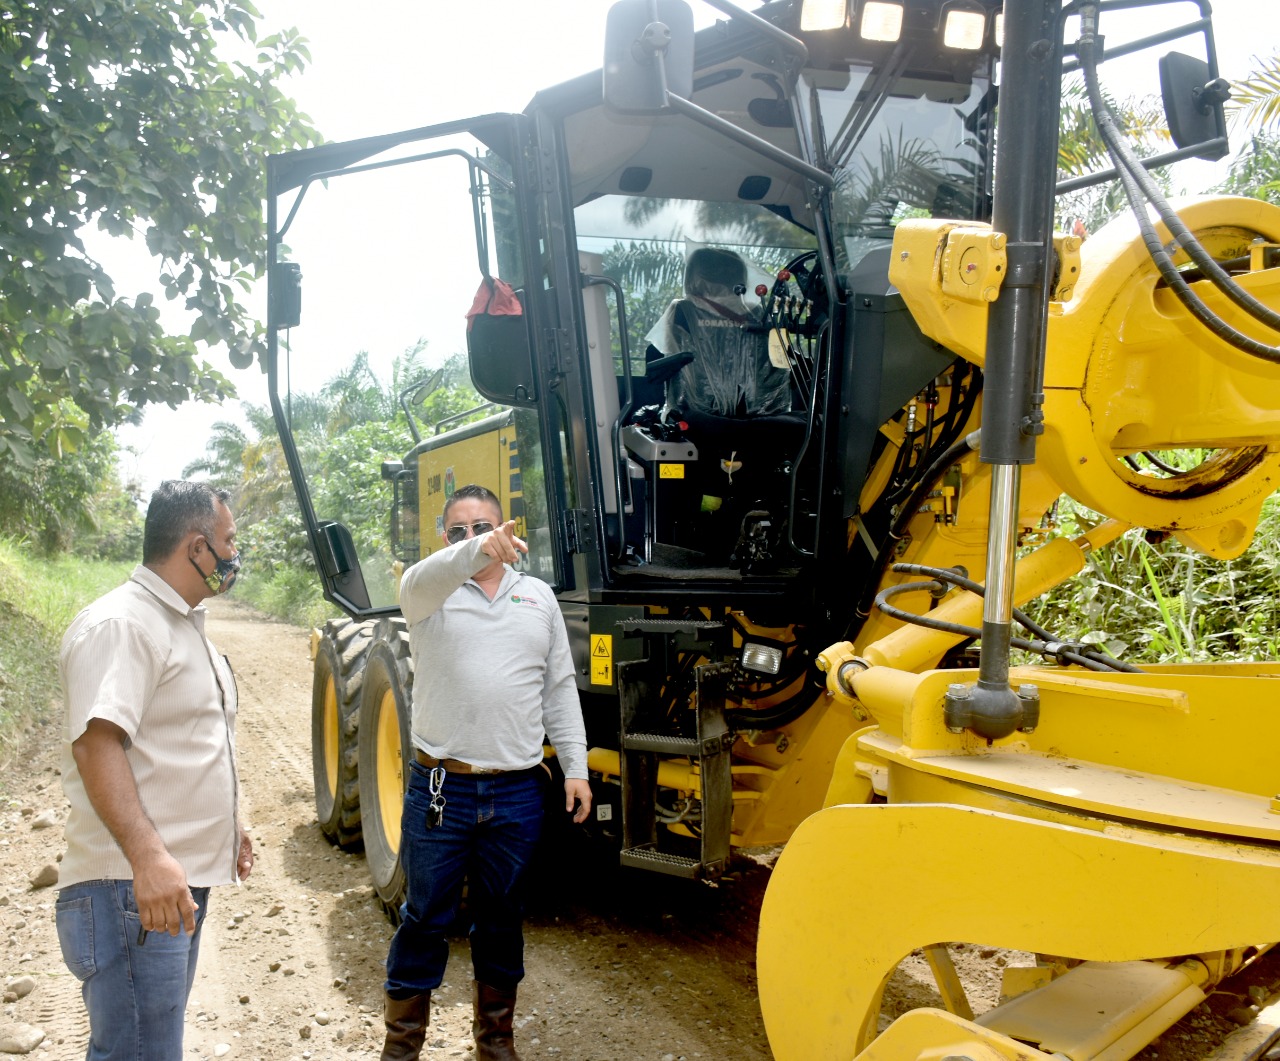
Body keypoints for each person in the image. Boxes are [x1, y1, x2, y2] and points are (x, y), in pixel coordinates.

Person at [381, 483, 591, 1061]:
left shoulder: (538, 598)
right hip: (441, 791)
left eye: (483, 527)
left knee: (502, 918)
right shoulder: (427, 592)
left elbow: (558, 688)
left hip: (517, 791)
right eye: (458, 531)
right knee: (425, 919)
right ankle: (401, 1049)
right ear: (443, 539)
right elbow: (423, 577)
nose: (471, 538)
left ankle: (495, 1043)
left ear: (507, 530)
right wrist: (475, 551)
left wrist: (575, 767)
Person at [55, 480, 251, 1061]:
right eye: (229, 541)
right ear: (197, 547)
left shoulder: (179, 623)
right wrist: (148, 858)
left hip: (162, 886)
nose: (236, 554)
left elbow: (185, 742)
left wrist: (229, 827)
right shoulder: (124, 624)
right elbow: (97, 746)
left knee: (148, 1048)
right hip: (131, 888)